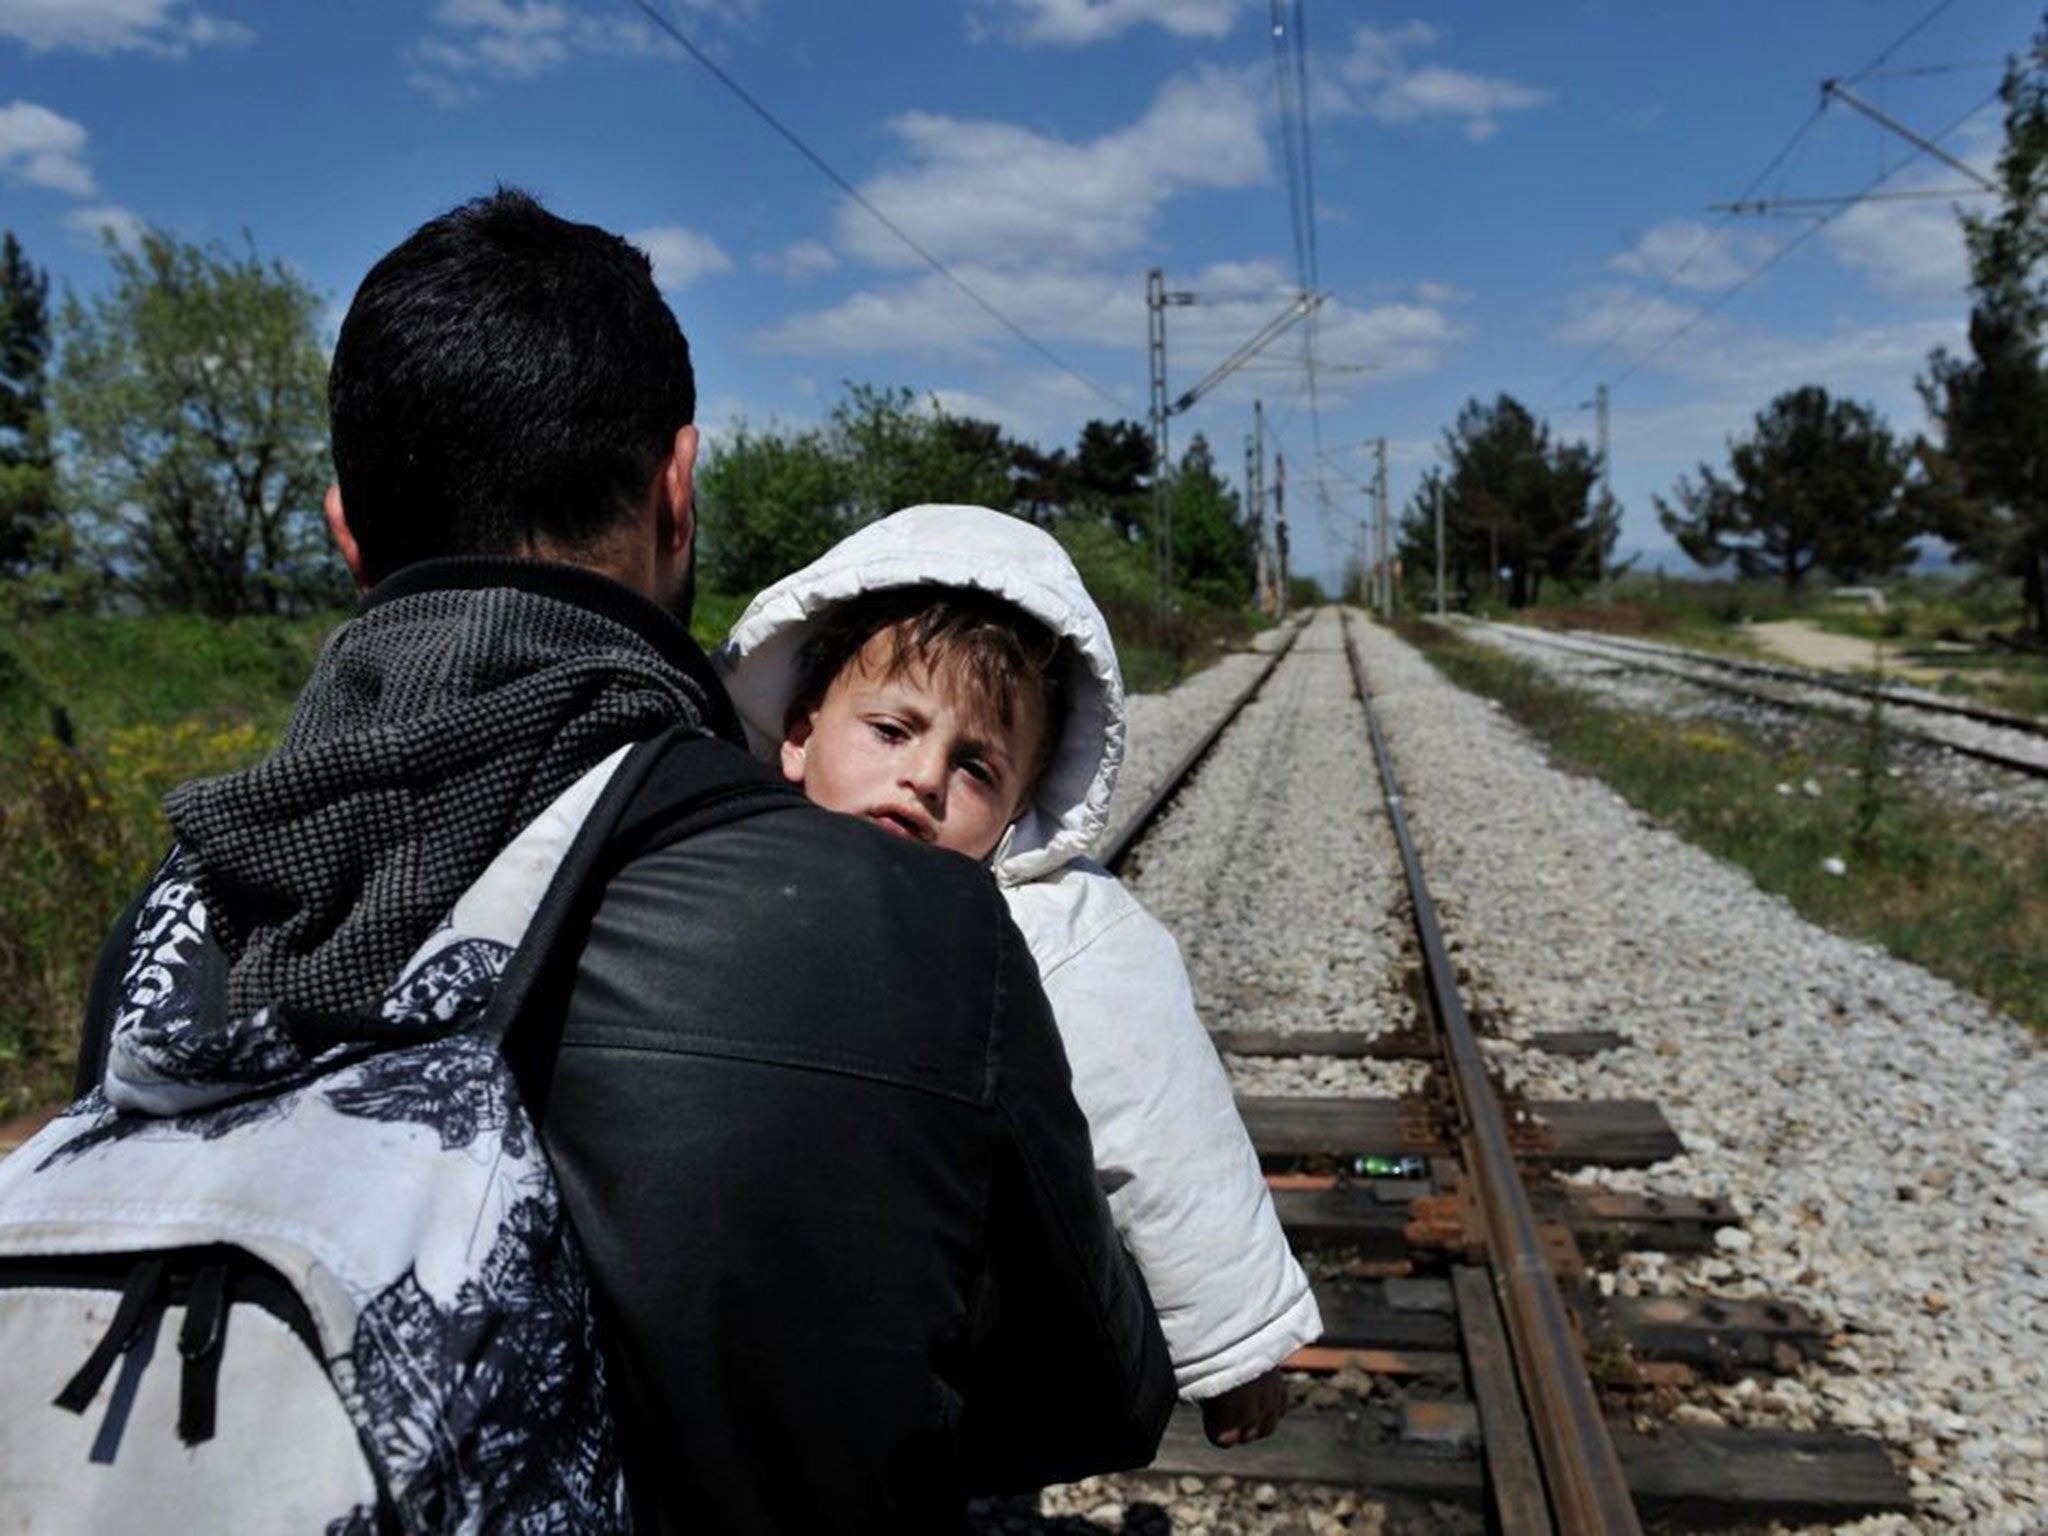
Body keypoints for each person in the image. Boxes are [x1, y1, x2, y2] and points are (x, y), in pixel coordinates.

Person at [71, 192, 1173, 1532]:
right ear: (676, 491)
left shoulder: (175, 929)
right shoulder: (916, 919)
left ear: (347, 530)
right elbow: (1093, 1401)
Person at [718, 503, 1322, 1450]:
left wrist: (1236, 1343)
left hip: (923, 1314)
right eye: (891, 729)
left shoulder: (1055, 926)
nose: (923, 778)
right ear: (799, 733)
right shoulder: (719, 859)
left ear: (1018, 812)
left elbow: (1166, 1128)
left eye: (975, 767)